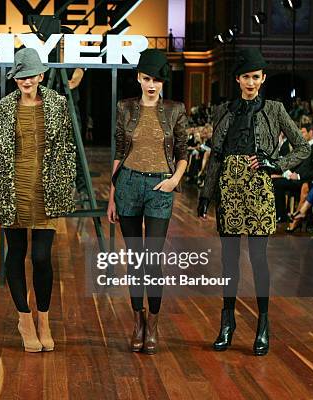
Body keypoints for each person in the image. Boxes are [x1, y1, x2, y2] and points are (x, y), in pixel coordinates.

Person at [197, 48, 309, 356]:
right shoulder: (223, 110)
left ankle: (263, 325)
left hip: (259, 188)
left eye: (256, 77)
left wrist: (278, 164)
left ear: (262, 79)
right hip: (229, 187)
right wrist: (206, 196)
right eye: (246, 77)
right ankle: (227, 322)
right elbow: (217, 156)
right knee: (229, 261)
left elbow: (302, 147)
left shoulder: (275, 109)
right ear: (237, 79)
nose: (251, 82)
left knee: (259, 260)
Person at [0, 48, 76, 352]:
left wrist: (66, 183)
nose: (27, 80)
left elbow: (67, 147)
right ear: (16, 78)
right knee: (17, 251)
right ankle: (24, 319)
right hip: (13, 186)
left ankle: (44, 319)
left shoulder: (58, 104)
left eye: (31, 74)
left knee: (41, 257)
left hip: (46, 188)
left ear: (41, 75)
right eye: (21, 75)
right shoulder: (3, 107)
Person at [107, 49, 188, 355]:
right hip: (127, 184)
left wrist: (174, 181)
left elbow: (183, 152)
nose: (151, 85)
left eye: (156, 80)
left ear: (163, 82)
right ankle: (138, 322)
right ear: (138, 78)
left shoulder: (176, 110)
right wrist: (112, 197)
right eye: (146, 78)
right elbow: (118, 152)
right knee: (136, 261)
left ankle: (153, 324)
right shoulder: (125, 108)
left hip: (160, 186)